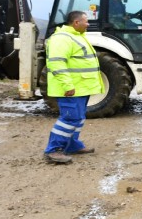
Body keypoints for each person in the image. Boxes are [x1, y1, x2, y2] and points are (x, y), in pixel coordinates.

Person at [43, 10, 104, 164]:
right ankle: (54, 150)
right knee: (69, 119)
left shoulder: (77, 36)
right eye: (86, 21)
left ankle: (71, 145)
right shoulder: (62, 39)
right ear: (76, 23)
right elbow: (56, 63)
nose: (88, 24)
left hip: (81, 88)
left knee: (79, 118)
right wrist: (67, 84)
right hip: (70, 88)